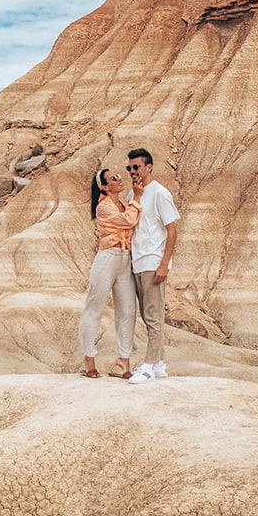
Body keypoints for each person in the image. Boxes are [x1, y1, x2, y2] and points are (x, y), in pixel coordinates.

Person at [77, 168, 140, 379]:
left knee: (128, 310)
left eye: (119, 176)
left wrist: (133, 202)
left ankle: (124, 361)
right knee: (94, 307)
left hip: (125, 258)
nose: (119, 179)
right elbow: (128, 221)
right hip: (107, 257)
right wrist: (137, 198)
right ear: (104, 186)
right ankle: (88, 359)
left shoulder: (123, 204)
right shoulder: (103, 207)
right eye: (114, 178)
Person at [125, 147, 180, 384]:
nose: (132, 171)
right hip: (137, 262)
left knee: (154, 315)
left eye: (136, 167)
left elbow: (172, 230)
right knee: (148, 317)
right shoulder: (132, 196)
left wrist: (164, 264)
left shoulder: (160, 193)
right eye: (129, 168)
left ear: (149, 167)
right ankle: (158, 364)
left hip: (153, 260)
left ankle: (148, 366)